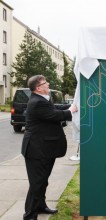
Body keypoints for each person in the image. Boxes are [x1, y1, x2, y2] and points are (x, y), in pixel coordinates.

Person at [21, 75, 78, 220]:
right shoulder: (37, 102)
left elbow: (55, 108)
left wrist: (71, 106)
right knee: (37, 183)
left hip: (44, 148)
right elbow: (54, 115)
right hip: (36, 150)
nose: (48, 84)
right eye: (45, 83)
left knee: (42, 181)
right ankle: (29, 215)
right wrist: (71, 110)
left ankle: (40, 206)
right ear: (38, 88)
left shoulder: (42, 100)